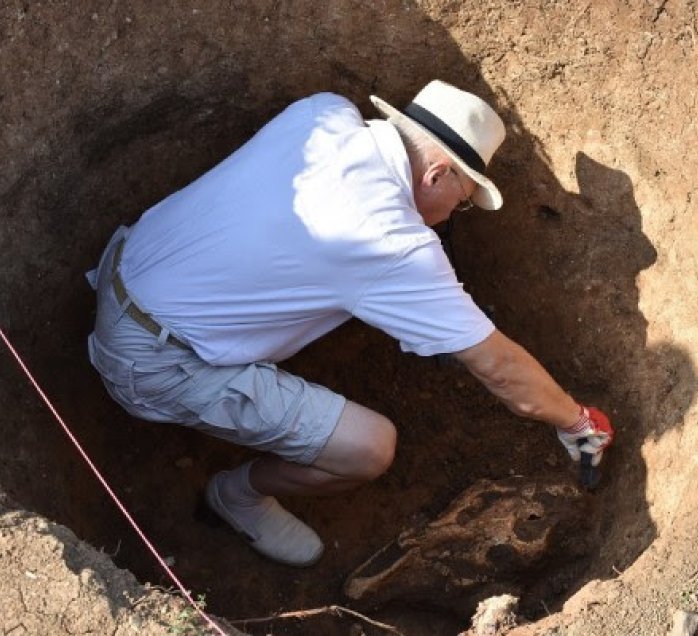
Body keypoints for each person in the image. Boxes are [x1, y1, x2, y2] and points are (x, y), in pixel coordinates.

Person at [86, 80, 613, 567]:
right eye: (463, 199)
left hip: (125, 262)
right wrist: (575, 421)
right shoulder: (390, 243)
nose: (455, 213)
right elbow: (497, 367)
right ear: (437, 174)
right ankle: (236, 494)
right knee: (368, 447)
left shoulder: (324, 110)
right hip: (153, 362)